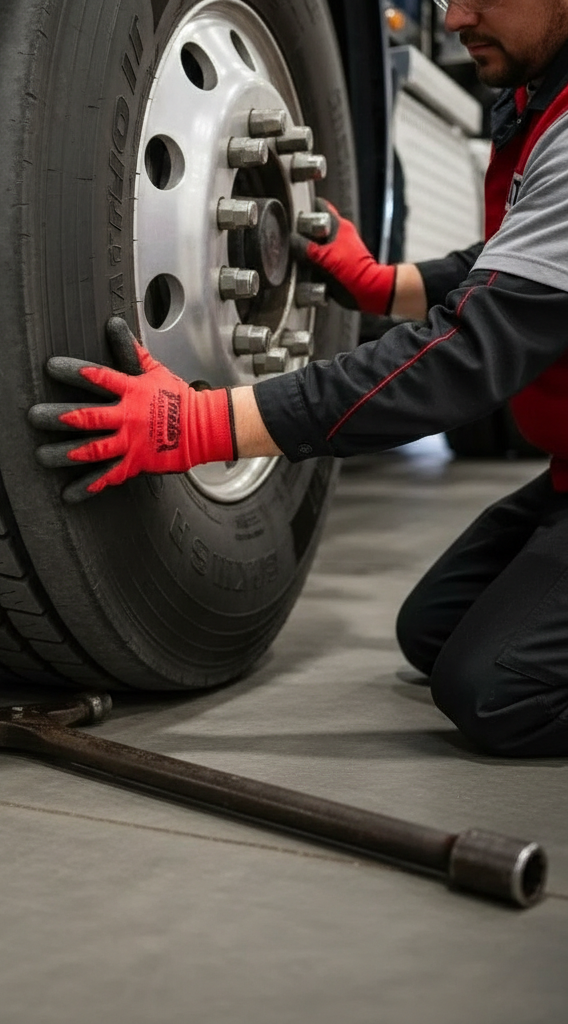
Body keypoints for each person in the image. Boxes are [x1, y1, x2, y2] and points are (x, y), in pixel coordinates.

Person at [28, 0, 568, 758]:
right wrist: (382, 285)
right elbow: (517, 259)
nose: (454, 19)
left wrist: (208, 425)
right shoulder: (542, 100)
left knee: (497, 691)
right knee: (432, 632)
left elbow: (466, 357)